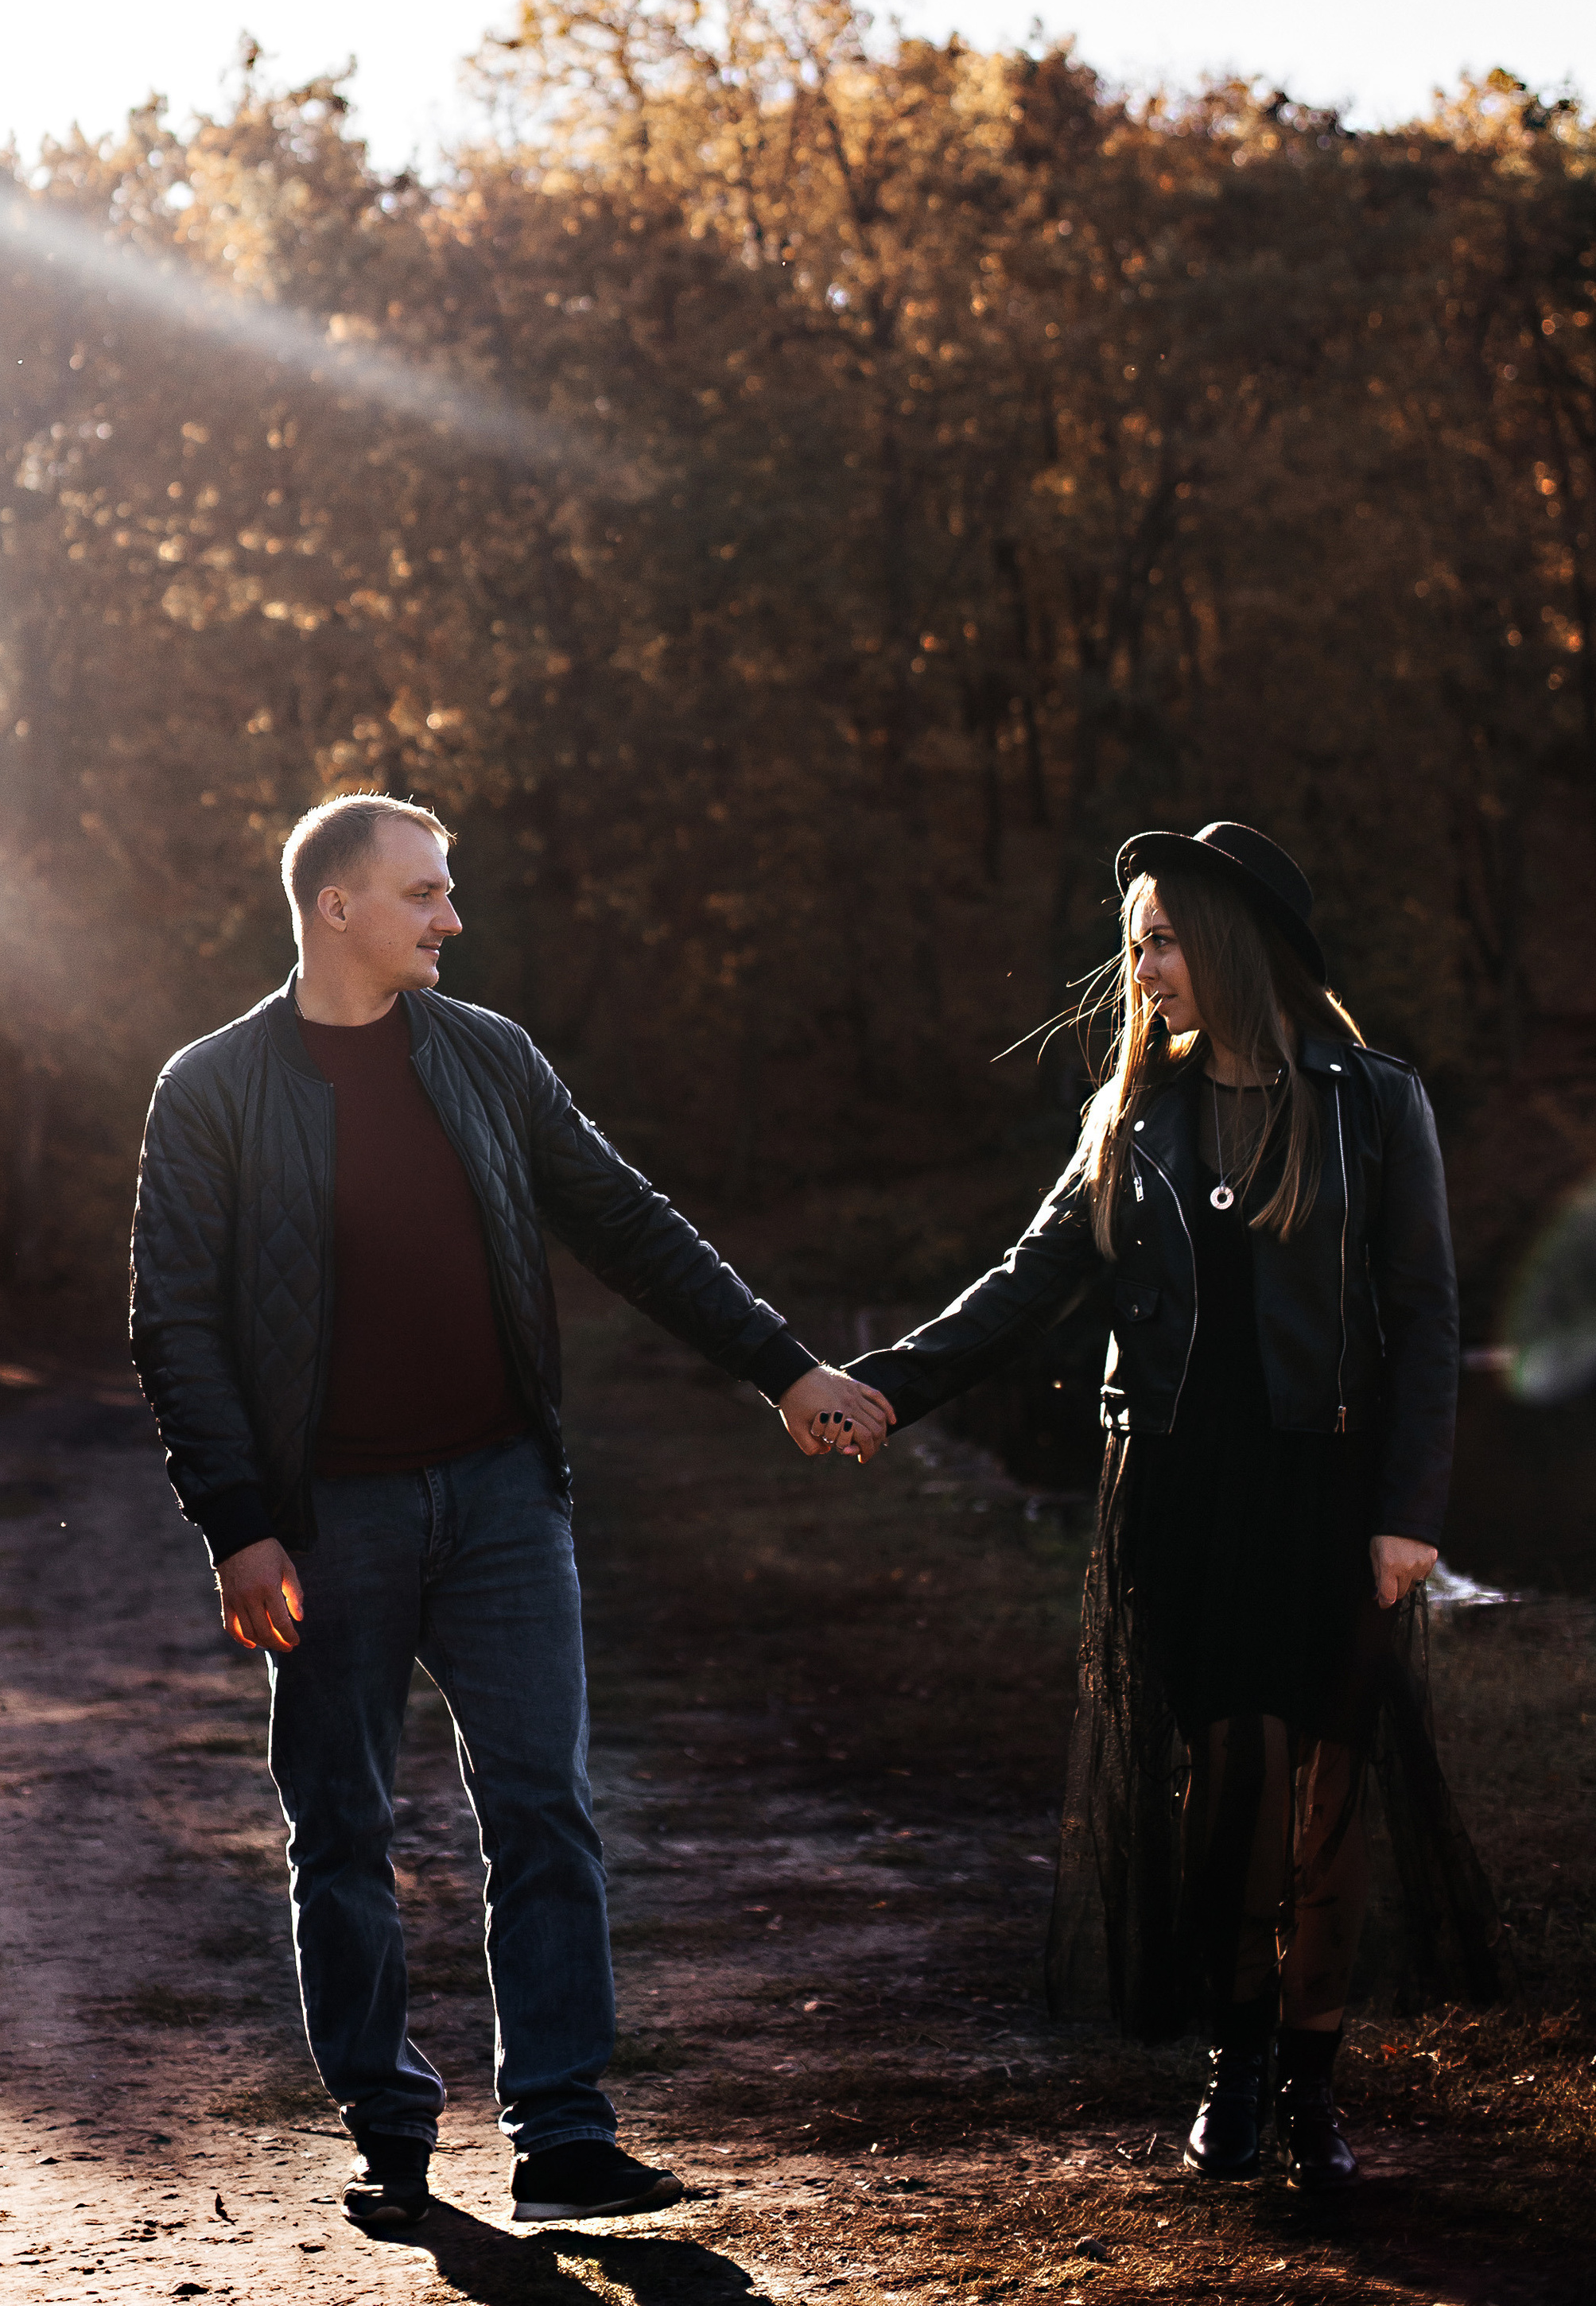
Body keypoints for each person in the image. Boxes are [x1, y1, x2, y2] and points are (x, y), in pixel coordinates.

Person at [130, 790, 894, 2232]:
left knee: (545, 1807)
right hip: (325, 1519)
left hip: (498, 1498)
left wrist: (782, 1367)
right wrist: (237, 1524)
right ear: (336, 906)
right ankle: (388, 2129)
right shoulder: (213, 1088)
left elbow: (625, 1218)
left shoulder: (487, 1057)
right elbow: (173, 1324)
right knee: (340, 1829)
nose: (452, 916)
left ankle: (562, 2134)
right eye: (424, 893)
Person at [846, 821, 1498, 2190]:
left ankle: (1315, 2090)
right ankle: (1237, 2062)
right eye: (1134, 941)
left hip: (1330, 1489)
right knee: (1237, 1781)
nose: (1139, 968)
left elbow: (1430, 1318)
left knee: (1329, 1791)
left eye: (1162, 938)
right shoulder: (1139, 1115)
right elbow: (1031, 1280)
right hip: (1182, 1495)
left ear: (1237, 944)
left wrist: (1410, 1511)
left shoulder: (1375, 1103)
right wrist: (882, 1389)